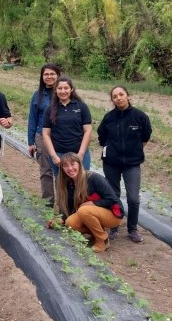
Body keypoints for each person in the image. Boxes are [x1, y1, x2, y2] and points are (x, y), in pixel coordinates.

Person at [98, 85, 152, 242]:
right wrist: (111, 149)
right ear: (112, 100)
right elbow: (101, 136)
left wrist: (134, 150)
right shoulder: (109, 118)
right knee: (114, 195)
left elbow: (146, 136)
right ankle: (114, 226)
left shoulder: (140, 117)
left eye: (121, 94)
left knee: (133, 198)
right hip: (111, 163)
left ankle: (132, 228)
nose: (118, 98)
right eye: (115, 96)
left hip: (132, 163)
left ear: (128, 96)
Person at [47, 153, 124, 252]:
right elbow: (68, 208)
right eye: (65, 166)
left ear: (79, 164)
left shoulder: (93, 178)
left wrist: (93, 203)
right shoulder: (68, 184)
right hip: (90, 213)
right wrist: (59, 220)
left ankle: (103, 240)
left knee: (84, 210)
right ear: (62, 169)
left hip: (112, 214)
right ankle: (97, 234)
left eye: (73, 164)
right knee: (70, 223)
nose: (70, 168)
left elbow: (113, 199)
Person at [41, 76, 92, 176]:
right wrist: (54, 156)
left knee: (83, 184)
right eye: (60, 88)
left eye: (66, 88)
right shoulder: (50, 109)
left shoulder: (81, 106)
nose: (63, 91)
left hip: (79, 153)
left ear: (71, 89)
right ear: (55, 90)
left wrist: (80, 155)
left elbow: (88, 131)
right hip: (59, 154)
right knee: (62, 186)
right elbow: (46, 134)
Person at [27, 64, 62, 207]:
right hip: (41, 136)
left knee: (62, 171)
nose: (49, 77)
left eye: (52, 74)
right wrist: (31, 141)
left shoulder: (63, 92)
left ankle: (64, 204)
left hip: (60, 137)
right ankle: (48, 203)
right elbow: (32, 119)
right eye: (46, 74)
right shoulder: (38, 96)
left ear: (58, 75)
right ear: (42, 77)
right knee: (45, 170)